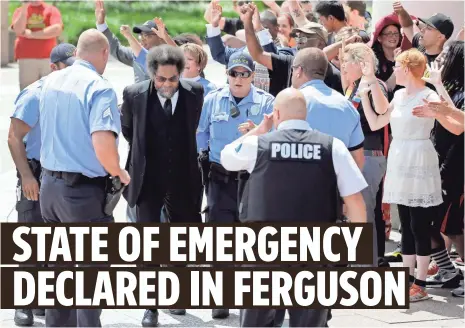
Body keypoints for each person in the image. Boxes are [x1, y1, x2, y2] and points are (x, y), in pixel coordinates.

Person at [220, 87, 367, 327]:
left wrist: (259, 130)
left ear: (276, 114)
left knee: (256, 321)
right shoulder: (333, 147)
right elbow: (355, 201)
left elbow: (226, 156)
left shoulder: (258, 146)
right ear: (304, 115)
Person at [39, 29, 128, 327]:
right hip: (82, 195)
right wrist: (119, 171)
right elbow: (102, 140)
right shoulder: (99, 86)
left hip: (49, 188)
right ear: (104, 53)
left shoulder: (49, 82)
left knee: (59, 272)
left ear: (77, 52)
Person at [120, 44, 204, 326]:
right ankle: (150, 305)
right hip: (147, 177)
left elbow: (191, 126)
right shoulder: (134, 95)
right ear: (152, 74)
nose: (166, 85)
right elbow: (129, 132)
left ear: (181, 74)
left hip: (182, 176)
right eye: (161, 79)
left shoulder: (196, 94)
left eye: (172, 79)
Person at [360, 48, 447, 302]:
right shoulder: (398, 95)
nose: (394, 70)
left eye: (397, 66)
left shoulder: (428, 94)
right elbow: (377, 121)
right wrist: (366, 92)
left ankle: (420, 283)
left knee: (419, 224)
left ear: (407, 68)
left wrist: (439, 86)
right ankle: (408, 280)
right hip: (399, 156)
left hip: (419, 157)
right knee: (407, 224)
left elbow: (448, 114)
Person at [196, 51, 274, 319]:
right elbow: (201, 131)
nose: (238, 78)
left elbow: (276, 136)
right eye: (233, 73)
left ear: (252, 76)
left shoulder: (266, 103)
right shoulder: (213, 99)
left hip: (252, 179)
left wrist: (259, 130)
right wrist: (202, 155)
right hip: (220, 178)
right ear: (227, 75)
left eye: (244, 74)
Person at [7, 42, 76, 328]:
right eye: (68, 66)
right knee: (30, 237)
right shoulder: (35, 94)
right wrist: (26, 176)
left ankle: (45, 299)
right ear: (54, 67)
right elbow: (13, 137)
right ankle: (23, 303)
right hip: (35, 171)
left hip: (59, 174)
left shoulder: (74, 92)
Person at [414, 43, 464, 290]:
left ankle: (451, 271)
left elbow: (457, 125)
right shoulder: (450, 86)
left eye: (444, 56)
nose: (438, 60)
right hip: (440, 160)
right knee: (434, 222)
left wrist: (437, 103)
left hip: (456, 164)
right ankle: (448, 271)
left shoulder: (460, 90)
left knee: (455, 227)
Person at [340, 43, 390, 266]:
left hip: (369, 156)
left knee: (364, 213)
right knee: (354, 213)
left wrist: (370, 78)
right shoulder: (353, 87)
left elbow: (382, 110)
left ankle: (366, 268)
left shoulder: (374, 84)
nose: (343, 67)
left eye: (346, 62)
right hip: (354, 157)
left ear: (359, 64)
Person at [242, 3, 344, 96]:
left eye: (305, 37)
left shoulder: (335, 75)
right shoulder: (291, 61)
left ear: (320, 43)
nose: (299, 41)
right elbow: (259, 55)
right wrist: (248, 23)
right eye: (298, 37)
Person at [291, 47, 365, 170]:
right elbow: (358, 159)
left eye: (293, 69)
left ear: (298, 70)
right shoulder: (347, 106)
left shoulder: (291, 100)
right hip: (335, 183)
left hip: (298, 181)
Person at [94, 0, 165, 83]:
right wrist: (101, 24)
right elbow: (117, 49)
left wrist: (129, 37)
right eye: (140, 35)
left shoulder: (172, 56)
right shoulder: (136, 54)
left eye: (146, 35)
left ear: (161, 37)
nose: (142, 39)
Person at [10, 0, 63, 90]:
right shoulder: (20, 11)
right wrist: (24, 9)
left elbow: (57, 29)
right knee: (27, 93)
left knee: (49, 91)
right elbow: (18, 30)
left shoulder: (51, 10)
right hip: (26, 58)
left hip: (48, 58)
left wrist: (32, 35)